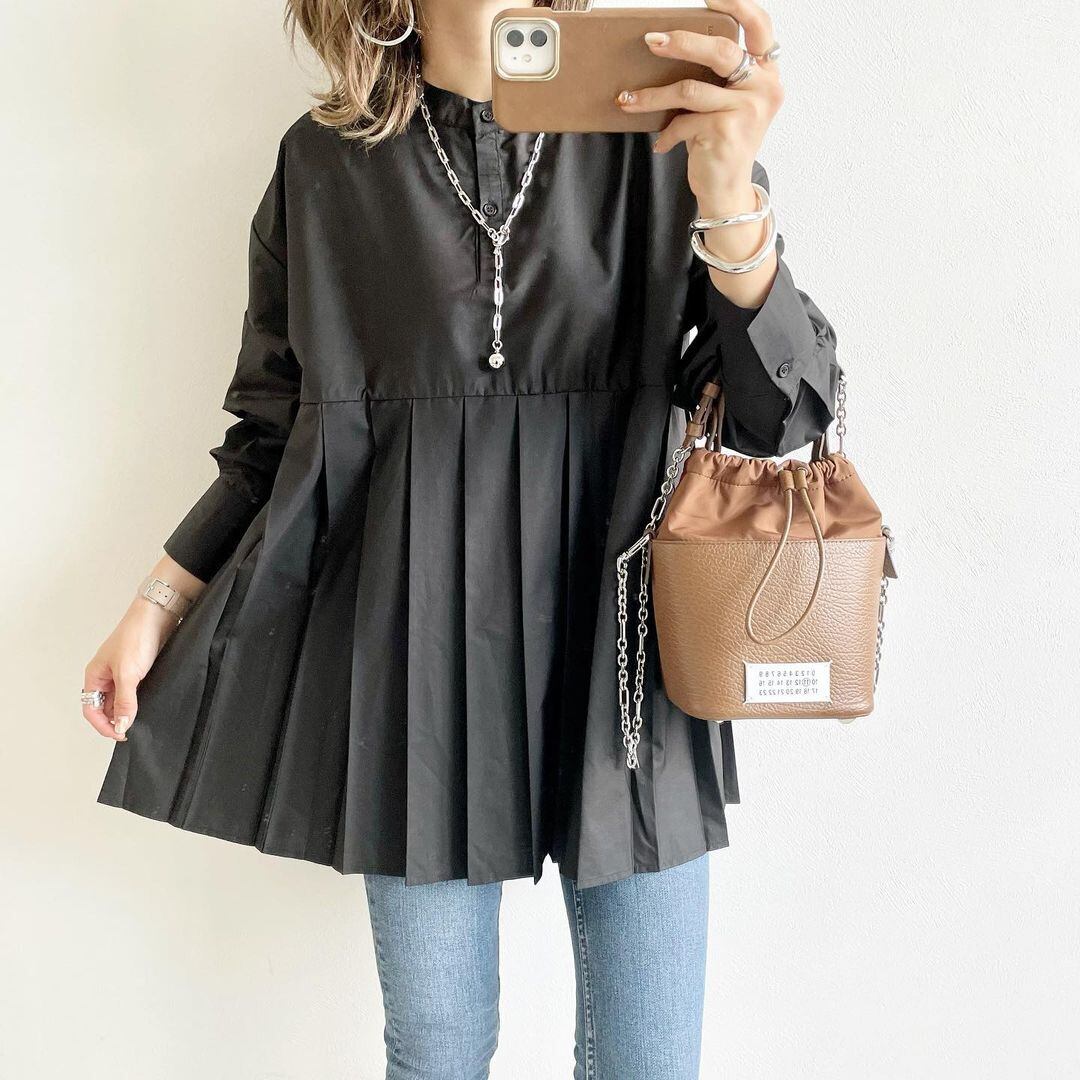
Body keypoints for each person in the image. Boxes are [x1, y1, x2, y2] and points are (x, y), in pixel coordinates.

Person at [83, 0, 839, 1075]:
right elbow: (271, 434)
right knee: (436, 1054)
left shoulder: (662, 134)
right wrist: (158, 601)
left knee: (651, 1059)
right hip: (413, 670)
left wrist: (730, 199)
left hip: (631, 663)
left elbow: (781, 419)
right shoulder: (324, 166)